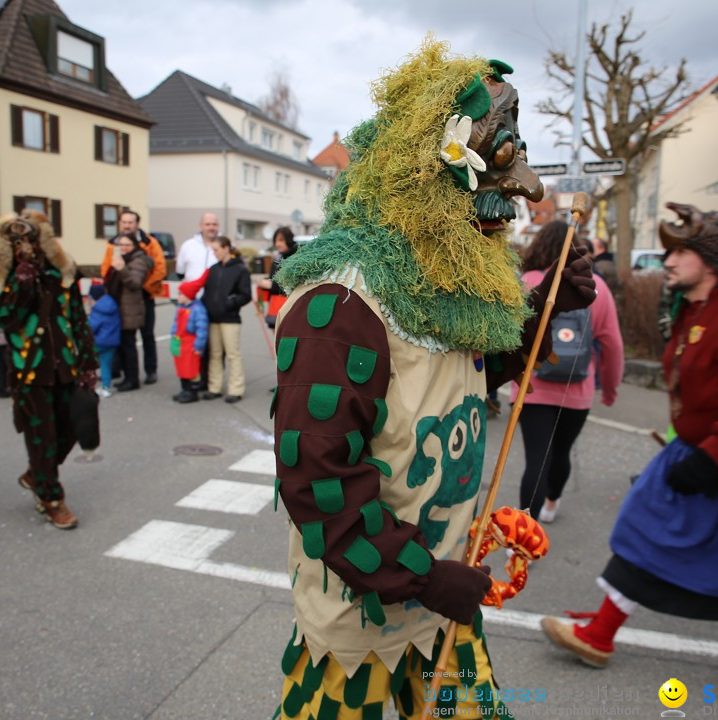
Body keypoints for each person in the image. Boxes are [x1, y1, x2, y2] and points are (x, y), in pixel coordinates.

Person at [270, 43, 594, 719]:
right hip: (359, 624)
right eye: (497, 174)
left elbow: (464, 375)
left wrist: (542, 313)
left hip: (446, 604)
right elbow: (320, 478)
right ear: (428, 174)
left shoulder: (447, 283)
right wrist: (420, 577)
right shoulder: (342, 304)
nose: (525, 194)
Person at [541, 203, 718, 707]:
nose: (668, 260)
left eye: (680, 251)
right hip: (698, 449)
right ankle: (600, 631)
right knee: (646, 530)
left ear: (711, 260)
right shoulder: (698, 308)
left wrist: (712, 459)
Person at [0, 209, 99, 530]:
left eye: (33, 241)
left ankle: (37, 475)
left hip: (66, 366)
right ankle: (51, 499)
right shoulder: (1, 279)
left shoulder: (61, 273)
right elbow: (6, 321)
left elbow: (78, 319)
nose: (29, 248)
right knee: (42, 438)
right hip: (29, 372)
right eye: (22, 242)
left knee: (74, 425)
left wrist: (89, 363)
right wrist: (22, 282)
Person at [516, 221, 624, 523]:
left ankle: (522, 536)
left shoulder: (525, 282)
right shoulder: (596, 286)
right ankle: (551, 504)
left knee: (536, 460)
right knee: (562, 453)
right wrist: (611, 389)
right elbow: (613, 344)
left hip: (530, 388)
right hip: (577, 391)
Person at [99, 211, 165, 385]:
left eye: (131, 222)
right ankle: (118, 369)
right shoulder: (113, 244)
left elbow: (159, 269)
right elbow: (106, 268)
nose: (127, 225)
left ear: (137, 224)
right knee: (121, 335)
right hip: (121, 298)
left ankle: (150, 370)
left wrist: (142, 287)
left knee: (147, 335)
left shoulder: (150, 243)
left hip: (143, 295)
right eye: (124, 222)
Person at [201, 237, 250, 403]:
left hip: (230, 318)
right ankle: (214, 388)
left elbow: (246, 295)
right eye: (213, 250)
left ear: (226, 248)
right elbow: (207, 292)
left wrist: (231, 303)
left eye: (216, 249)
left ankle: (236, 390)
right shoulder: (213, 269)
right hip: (213, 318)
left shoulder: (240, 269)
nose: (214, 253)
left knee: (232, 354)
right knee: (215, 354)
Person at [104, 233, 153, 393]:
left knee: (128, 346)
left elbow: (135, 282)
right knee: (121, 346)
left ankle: (132, 379)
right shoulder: (121, 259)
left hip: (130, 309)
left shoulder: (139, 261)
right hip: (118, 308)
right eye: (120, 245)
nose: (123, 248)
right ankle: (126, 377)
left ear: (134, 246)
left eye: (127, 245)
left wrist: (121, 269)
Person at [170, 271, 209, 404]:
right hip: (180, 343)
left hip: (190, 344)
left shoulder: (198, 310)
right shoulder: (180, 307)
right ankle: (184, 389)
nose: (178, 296)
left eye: (180, 294)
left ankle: (192, 392)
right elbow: (176, 324)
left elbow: (202, 330)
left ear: (188, 295)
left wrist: (198, 346)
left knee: (191, 369)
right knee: (181, 368)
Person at [258, 226, 297, 327]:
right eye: (275, 241)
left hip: (290, 306)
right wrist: (265, 282)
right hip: (275, 305)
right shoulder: (278, 257)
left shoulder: (296, 257)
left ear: (289, 240)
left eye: (281, 240)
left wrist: (272, 285)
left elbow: (294, 284)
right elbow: (274, 278)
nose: (277, 244)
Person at [87, 283, 120, 399]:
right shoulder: (112, 305)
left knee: (88, 362)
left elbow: (92, 327)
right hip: (112, 341)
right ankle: (106, 387)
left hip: (99, 341)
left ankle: (87, 384)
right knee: (106, 364)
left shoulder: (98, 309)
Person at [176, 212, 219, 283]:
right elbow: (180, 272)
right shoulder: (188, 245)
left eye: (214, 224)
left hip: (218, 294)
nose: (211, 228)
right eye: (207, 224)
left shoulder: (227, 246)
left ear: (218, 226)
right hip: (193, 293)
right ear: (200, 226)